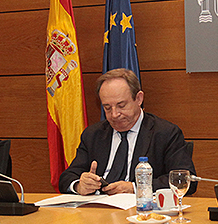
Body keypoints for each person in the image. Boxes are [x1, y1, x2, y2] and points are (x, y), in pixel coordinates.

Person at [59, 68, 197, 195]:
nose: (114, 114)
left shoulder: (165, 133)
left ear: (139, 99)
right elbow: (67, 177)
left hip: (142, 212)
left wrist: (135, 187)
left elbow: (186, 180)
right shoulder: (93, 134)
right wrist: (79, 185)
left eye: (121, 106)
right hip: (97, 212)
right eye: (107, 108)